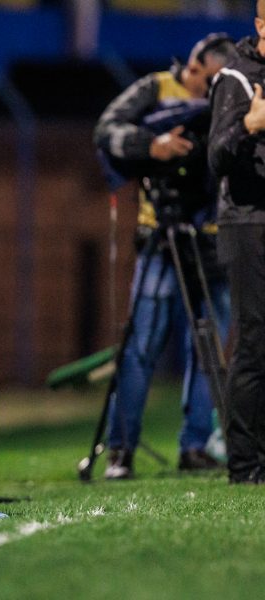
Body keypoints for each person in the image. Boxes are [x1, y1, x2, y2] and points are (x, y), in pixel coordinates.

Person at [93, 33, 236, 479]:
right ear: (194, 68)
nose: (214, 91)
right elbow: (107, 130)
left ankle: (195, 446)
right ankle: (121, 450)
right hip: (163, 237)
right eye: (209, 80)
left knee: (210, 347)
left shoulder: (232, 93)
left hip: (214, 239)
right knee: (141, 347)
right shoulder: (155, 89)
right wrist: (152, 147)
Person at [208, 2, 265, 484]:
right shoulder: (237, 78)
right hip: (249, 222)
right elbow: (216, 156)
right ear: (261, 24)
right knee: (254, 341)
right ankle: (245, 465)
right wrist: (249, 126)